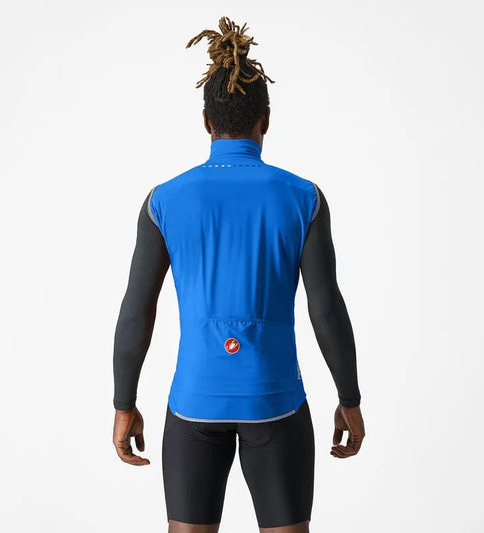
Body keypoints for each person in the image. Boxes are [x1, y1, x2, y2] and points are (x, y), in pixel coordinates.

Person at [112, 16, 365, 533]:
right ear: (265, 120)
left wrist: (124, 403)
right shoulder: (304, 198)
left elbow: (137, 310)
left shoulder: (163, 201)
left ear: (206, 122)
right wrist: (349, 399)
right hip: (275, 398)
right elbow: (325, 308)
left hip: (194, 401)